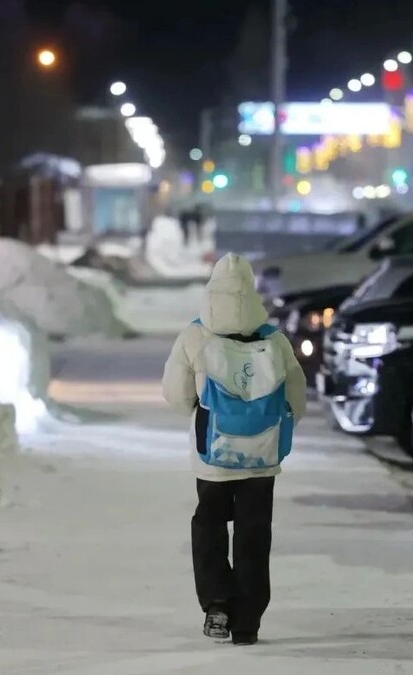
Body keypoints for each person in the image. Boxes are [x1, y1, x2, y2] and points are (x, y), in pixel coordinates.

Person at [162, 253, 307, 646]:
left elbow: (175, 395)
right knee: (253, 534)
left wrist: (204, 413)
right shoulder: (274, 339)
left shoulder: (195, 336)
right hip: (261, 458)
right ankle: (247, 623)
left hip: (213, 455)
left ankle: (217, 602)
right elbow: (297, 396)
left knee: (209, 524)